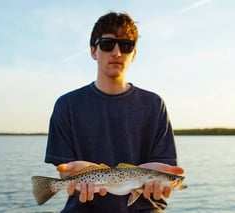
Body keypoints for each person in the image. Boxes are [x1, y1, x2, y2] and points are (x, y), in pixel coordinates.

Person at [45, 11, 184, 213]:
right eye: (107, 44)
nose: (117, 52)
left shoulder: (154, 104)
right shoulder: (66, 104)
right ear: (93, 51)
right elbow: (65, 170)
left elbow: (163, 163)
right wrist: (70, 174)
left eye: (126, 46)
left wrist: (159, 176)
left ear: (134, 54)